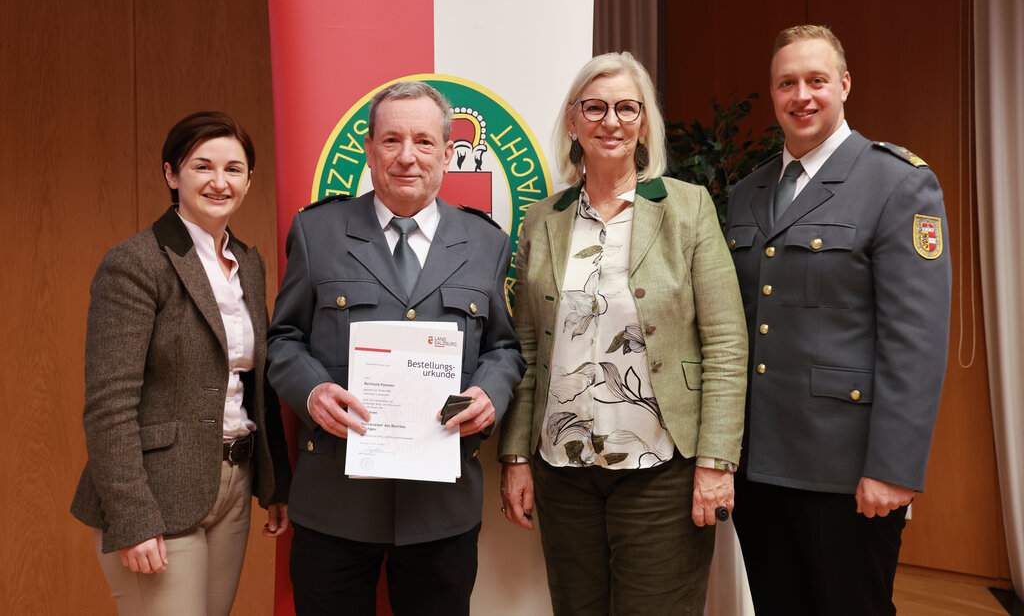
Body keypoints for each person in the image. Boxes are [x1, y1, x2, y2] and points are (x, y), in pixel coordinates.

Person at [497, 52, 748, 615]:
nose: (610, 121)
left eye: (626, 107)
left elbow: (727, 345)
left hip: (663, 468)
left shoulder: (687, 208)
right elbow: (527, 349)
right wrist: (515, 455)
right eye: (595, 107)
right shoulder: (543, 219)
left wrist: (716, 461)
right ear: (572, 120)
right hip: (562, 470)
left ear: (643, 122)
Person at [266, 81, 525, 616]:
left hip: (441, 507)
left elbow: (504, 348)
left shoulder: (486, 242)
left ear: (448, 154)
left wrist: (491, 394)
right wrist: (310, 390)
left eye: (424, 142)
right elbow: (283, 339)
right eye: (392, 140)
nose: (408, 157)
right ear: (369, 149)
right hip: (336, 499)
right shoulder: (317, 231)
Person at [725, 25, 952, 615]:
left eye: (816, 80)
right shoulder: (746, 193)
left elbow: (915, 342)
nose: (802, 95)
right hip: (759, 466)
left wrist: (893, 469)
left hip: (847, 475)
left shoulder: (898, 183)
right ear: (773, 94)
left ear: (844, 86)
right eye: (786, 83)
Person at [71, 111, 292, 615]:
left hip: (234, 484)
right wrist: (133, 518)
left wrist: (274, 480)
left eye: (234, 169)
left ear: (249, 180)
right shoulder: (136, 263)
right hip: (157, 493)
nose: (220, 182)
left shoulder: (249, 265)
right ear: (172, 174)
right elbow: (110, 407)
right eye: (202, 167)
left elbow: (257, 382)